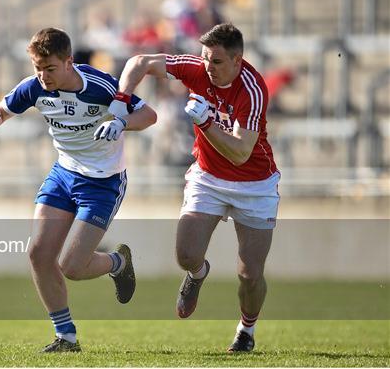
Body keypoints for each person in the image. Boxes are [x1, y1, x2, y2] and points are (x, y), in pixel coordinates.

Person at [0, 28, 157, 352]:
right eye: (37, 68)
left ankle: (118, 263)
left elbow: (149, 115)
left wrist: (121, 122)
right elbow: (3, 108)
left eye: (50, 68)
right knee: (39, 254)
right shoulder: (34, 87)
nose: (43, 76)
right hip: (63, 174)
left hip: (103, 182)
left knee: (72, 267)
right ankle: (66, 337)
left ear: (69, 62)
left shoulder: (100, 86)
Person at [111, 23, 280, 353]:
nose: (208, 68)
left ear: (237, 60)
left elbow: (241, 151)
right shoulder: (197, 69)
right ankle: (198, 273)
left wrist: (204, 122)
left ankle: (246, 330)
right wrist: (121, 100)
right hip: (207, 177)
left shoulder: (253, 89)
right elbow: (141, 62)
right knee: (186, 255)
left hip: (254, 184)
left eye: (216, 61)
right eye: (205, 59)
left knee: (250, 274)